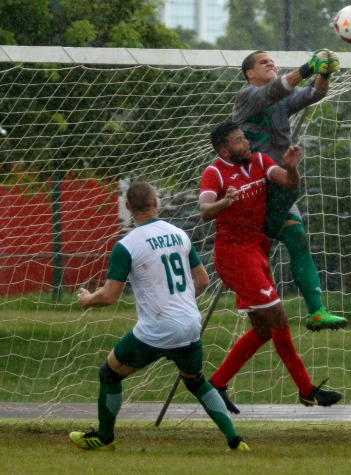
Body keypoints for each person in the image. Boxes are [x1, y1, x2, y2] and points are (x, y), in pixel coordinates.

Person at [69, 180, 249, 452]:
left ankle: (104, 438)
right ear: (156, 203)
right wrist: (181, 303)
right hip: (190, 324)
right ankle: (235, 441)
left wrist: (86, 300)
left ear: (128, 207)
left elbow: (109, 296)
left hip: (156, 329)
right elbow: (201, 281)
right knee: (196, 381)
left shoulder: (126, 245)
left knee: (109, 374)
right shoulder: (179, 234)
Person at [200, 122, 343, 414]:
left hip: (256, 251)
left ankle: (216, 384)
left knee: (264, 329)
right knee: (278, 315)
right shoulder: (214, 172)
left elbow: (289, 183)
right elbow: (204, 211)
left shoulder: (260, 161)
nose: (246, 143)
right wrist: (224, 202)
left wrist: (291, 168)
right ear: (223, 149)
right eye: (239, 141)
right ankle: (307, 390)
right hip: (234, 256)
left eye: (244, 138)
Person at [232, 48, 347, 332]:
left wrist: (324, 73)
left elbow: (314, 94)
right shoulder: (247, 95)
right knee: (261, 251)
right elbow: (275, 90)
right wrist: (308, 67)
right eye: (263, 62)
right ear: (250, 73)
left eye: (272, 61)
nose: (271, 63)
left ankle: (316, 311)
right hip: (256, 189)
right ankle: (258, 304)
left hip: (279, 182)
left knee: (296, 237)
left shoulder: (280, 102)